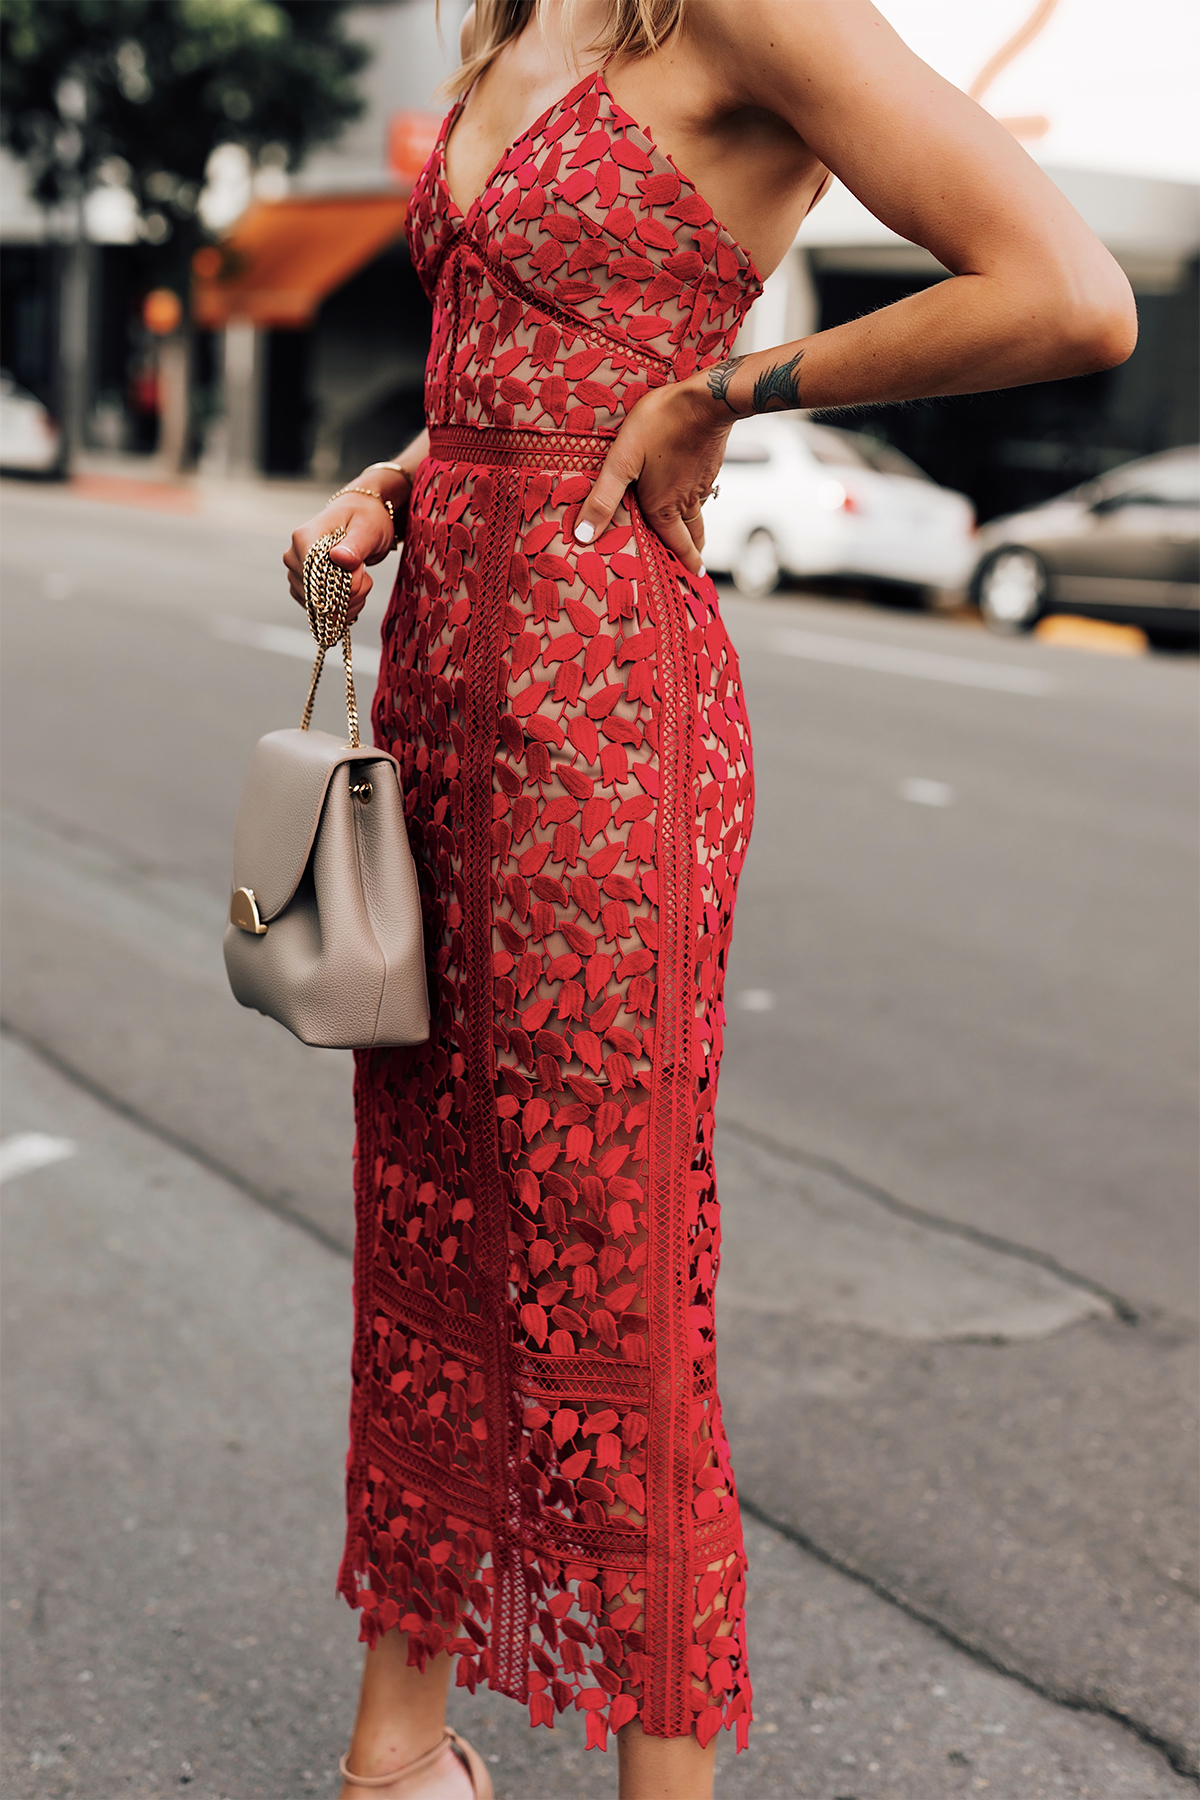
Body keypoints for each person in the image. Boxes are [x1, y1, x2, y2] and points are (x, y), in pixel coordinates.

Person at [284, 3, 1135, 1794]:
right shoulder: (515, 11)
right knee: (429, 1225)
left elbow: (1067, 291)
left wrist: (726, 393)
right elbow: (520, 361)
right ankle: (399, 1753)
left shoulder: (758, 6)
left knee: (605, 1274)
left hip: (606, 719)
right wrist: (415, 478)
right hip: (437, 696)